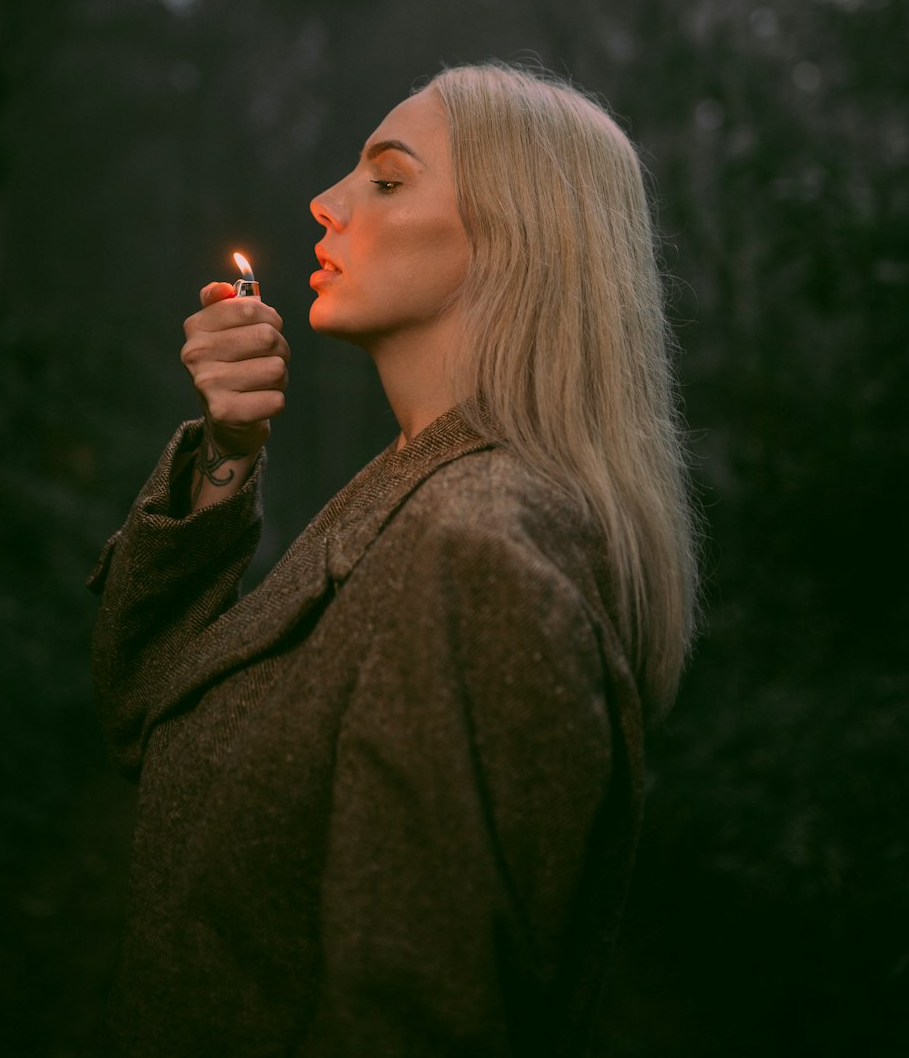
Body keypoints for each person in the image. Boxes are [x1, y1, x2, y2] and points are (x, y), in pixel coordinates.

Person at [89, 60, 698, 1057]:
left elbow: (416, 1018)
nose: (326, 204)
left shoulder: (477, 552)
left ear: (514, 238)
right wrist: (225, 461)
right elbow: (142, 712)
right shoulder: (407, 494)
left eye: (386, 177)